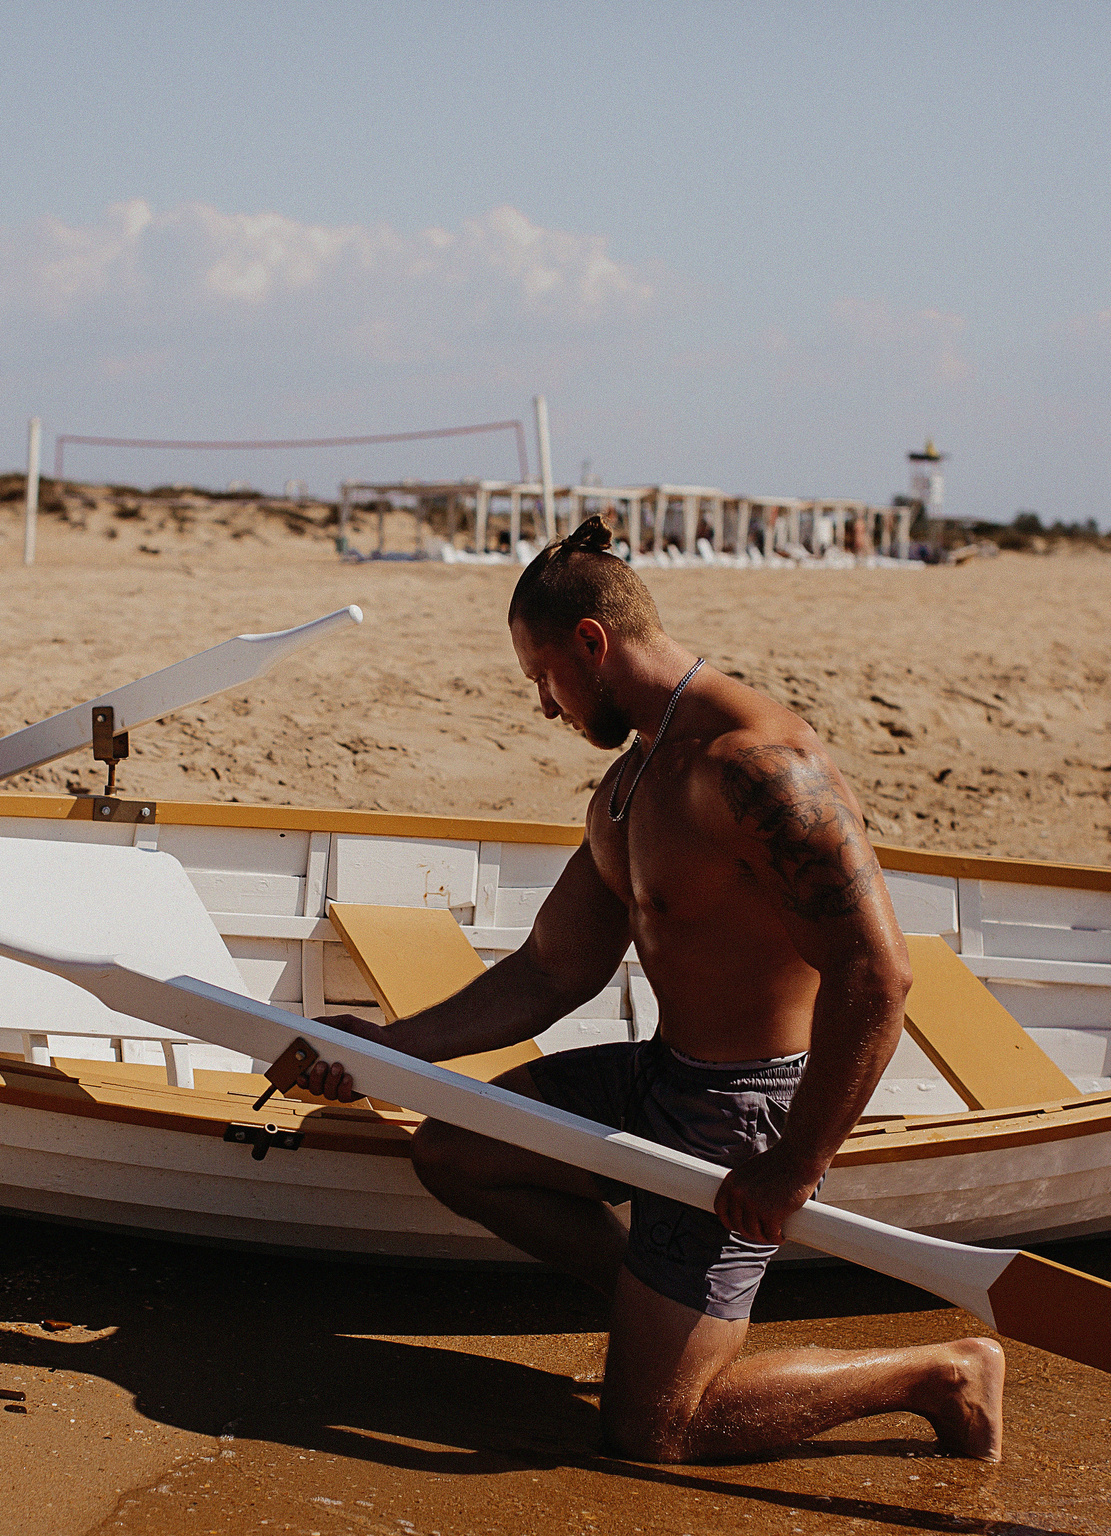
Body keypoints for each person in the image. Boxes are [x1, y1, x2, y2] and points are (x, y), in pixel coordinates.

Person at [297, 516, 1004, 1465]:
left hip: (747, 1113)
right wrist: (383, 1051)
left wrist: (795, 1163)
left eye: (542, 677)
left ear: (591, 642)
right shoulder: (630, 787)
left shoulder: (758, 769)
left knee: (655, 1432)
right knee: (455, 1150)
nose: (545, 707)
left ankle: (941, 1371)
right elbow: (551, 969)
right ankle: (653, 1301)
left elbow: (878, 973)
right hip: (661, 1077)